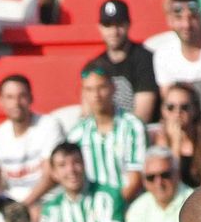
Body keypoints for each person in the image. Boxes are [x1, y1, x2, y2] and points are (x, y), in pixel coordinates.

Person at [38, 142, 125, 222]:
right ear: (54, 173)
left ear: (84, 164)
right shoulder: (51, 208)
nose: (71, 170)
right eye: (62, 165)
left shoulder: (108, 196)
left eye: (76, 162)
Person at [63, 68, 147, 204]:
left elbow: (135, 180)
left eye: (101, 87)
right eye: (89, 89)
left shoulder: (133, 126)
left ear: (113, 88)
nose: (96, 95)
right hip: (92, 211)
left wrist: (112, 211)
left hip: (129, 207)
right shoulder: (76, 134)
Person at [0, 75, 64, 206]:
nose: (16, 103)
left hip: (46, 201)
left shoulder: (49, 125)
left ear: (31, 98)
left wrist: (23, 206)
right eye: (10, 97)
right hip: (9, 206)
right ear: (1, 101)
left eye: (22, 96)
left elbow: (50, 176)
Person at [87, 0, 160, 123]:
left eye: (119, 24)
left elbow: (142, 116)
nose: (114, 32)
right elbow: (87, 111)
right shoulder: (96, 64)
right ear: (100, 27)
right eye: (108, 25)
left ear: (128, 24)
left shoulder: (145, 59)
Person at [153, 81, 201, 186]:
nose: (177, 113)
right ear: (163, 111)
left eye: (184, 107)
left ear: (195, 110)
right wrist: (176, 143)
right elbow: (169, 183)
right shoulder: (160, 140)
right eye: (170, 107)